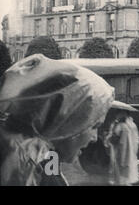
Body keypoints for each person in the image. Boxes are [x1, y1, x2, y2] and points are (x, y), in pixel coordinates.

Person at [0, 54, 115, 186]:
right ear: (67, 119)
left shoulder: (44, 153)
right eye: (93, 126)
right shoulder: (24, 161)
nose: (94, 138)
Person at [104, 110, 139, 186]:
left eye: (119, 114)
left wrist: (109, 137)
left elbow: (115, 138)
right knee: (127, 164)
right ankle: (126, 181)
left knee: (120, 165)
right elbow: (136, 138)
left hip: (120, 149)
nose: (117, 115)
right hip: (130, 149)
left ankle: (120, 181)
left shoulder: (120, 126)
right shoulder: (132, 125)